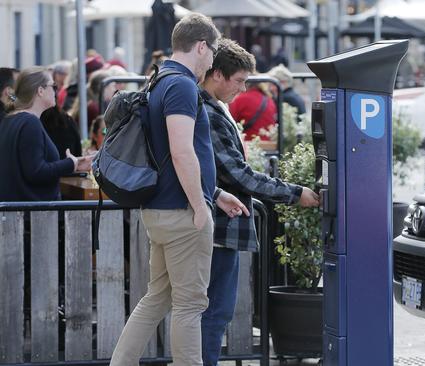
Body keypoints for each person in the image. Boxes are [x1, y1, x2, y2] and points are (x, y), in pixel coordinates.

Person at [108, 13, 248, 366]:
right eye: (213, 51)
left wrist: (214, 194)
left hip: (159, 208)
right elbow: (182, 150)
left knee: (156, 298)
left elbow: (170, 155)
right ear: (201, 46)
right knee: (190, 306)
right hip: (182, 211)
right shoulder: (183, 85)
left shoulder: (159, 79)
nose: (213, 58)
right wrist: (201, 206)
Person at [199, 38, 320, 366]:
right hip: (219, 228)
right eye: (239, 81)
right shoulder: (206, 110)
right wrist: (295, 193)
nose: (241, 89)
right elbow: (239, 175)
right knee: (215, 310)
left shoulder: (212, 107)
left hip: (220, 224)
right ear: (217, 75)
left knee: (209, 309)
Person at [0, 67, 92, 201]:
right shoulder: (29, 122)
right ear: (40, 91)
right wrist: (69, 163)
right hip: (33, 215)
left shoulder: (10, 120)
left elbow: (28, 166)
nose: (56, 90)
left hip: (20, 214)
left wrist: (74, 164)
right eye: (52, 85)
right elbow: (36, 172)